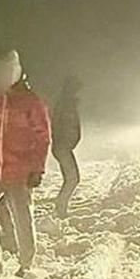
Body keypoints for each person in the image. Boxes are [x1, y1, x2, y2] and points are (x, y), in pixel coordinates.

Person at [0, 50, 51, 275]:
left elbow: (43, 137)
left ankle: (26, 264)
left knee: (21, 214)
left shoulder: (31, 102)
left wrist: (38, 168)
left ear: (13, 72)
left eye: (2, 71)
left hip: (20, 170)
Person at [50, 74, 83, 217]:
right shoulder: (65, 103)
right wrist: (63, 141)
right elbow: (58, 124)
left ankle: (61, 205)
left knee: (72, 178)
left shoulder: (67, 103)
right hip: (62, 146)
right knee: (73, 178)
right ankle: (60, 207)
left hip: (64, 146)